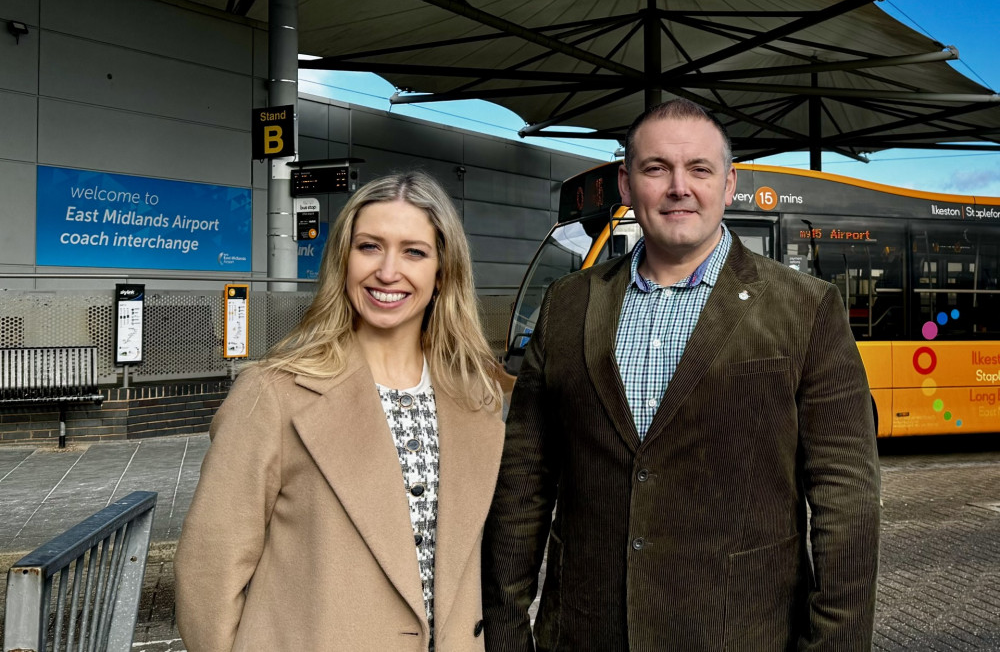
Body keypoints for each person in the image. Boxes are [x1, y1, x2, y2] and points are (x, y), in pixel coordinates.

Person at [482, 99, 880, 651]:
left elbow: (845, 499)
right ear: (626, 184)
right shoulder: (567, 304)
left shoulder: (807, 309)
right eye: (656, 168)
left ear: (728, 183)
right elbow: (524, 482)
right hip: (584, 633)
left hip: (742, 634)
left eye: (699, 169)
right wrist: (505, 633)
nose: (679, 186)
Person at [175, 171, 505, 652]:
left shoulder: (477, 400)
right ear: (342, 260)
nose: (388, 271)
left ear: (442, 273)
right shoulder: (273, 393)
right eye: (369, 246)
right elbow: (210, 569)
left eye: (414, 251)